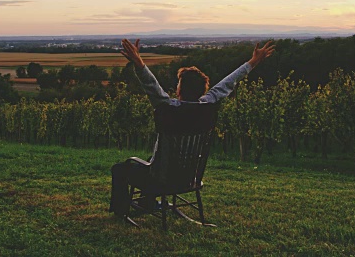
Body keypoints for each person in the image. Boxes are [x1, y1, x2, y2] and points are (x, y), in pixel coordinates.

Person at [109, 38, 275, 216]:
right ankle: (147, 203)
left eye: (178, 85)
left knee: (120, 169)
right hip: (189, 178)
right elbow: (229, 82)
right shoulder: (208, 104)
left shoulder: (168, 107)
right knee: (153, 158)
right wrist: (253, 62)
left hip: (162, 178)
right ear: (203, 90)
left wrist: (138, 61)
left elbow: (151, 85)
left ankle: (121, 212)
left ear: (179, 91)